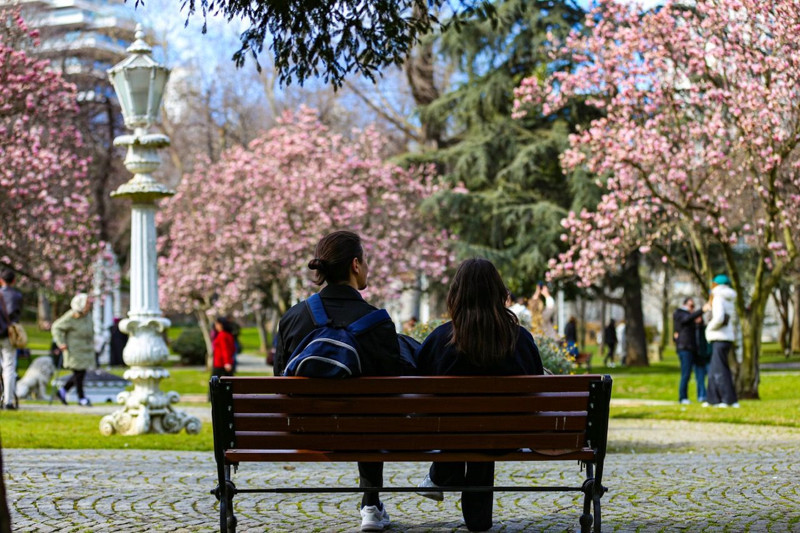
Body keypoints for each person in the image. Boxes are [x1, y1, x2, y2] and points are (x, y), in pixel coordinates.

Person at [274, 230, 408, 532]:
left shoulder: (293, 317)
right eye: (366, 261)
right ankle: (371, 505)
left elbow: (279, 378)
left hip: (306, 431)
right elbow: (391, 394)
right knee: (372, 415)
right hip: (366, 433)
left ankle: (371, 504)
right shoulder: (379, 322)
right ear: (356, 265)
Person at [415, 258, 544, 532]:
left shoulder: (440, 339)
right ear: (498, 292)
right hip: (507, 437)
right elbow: (537, 390)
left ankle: (442, 473)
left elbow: (419, 390)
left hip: (449, 436)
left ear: (456, 294)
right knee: (490, 426)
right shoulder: (520, 339)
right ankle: (477, 517)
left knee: (466, 427)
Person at [52, 293, 95, 407]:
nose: (89, 305)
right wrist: (60, 342)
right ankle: (81, 398)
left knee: (80, 373)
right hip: (74, 349)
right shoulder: (71, 315)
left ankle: (63, 391)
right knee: (79, 373)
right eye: (87, 303)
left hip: (85, 349)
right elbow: (56, 327)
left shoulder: (87, 315)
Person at [705, 274, 739, 408]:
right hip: (727, 337)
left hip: (719, 336)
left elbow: (719, 318)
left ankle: (727, 399)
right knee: (715, 369)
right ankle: (713, 399)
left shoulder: (718, 297)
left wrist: (709, 328)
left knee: (719, 370)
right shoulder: (729, 298)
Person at [673, 298, 707, 404]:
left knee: (700, 373)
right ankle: (683, 397)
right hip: (685, 348)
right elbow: (686, 319)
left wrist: (699, 322)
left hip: (694, 349)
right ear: (684, 305)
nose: (692, 308)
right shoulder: (679, 313)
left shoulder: (690, 317)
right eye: (691, 306)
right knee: (686, 373)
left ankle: (702, 396)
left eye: (694, 306)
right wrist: (702, 310)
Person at [0, 269, 23, 410]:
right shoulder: (17, 296)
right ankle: (8, 401)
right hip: (8, 334)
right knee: (9, 367)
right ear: (14, 281)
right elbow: (17, 314)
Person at [211, 317, 236, 384]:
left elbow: (225, 349)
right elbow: (233, 349)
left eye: (217, 324)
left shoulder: (222, 335)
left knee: (215, 384)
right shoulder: (228, 335)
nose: (215, 326)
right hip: (226, 363)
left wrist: (226, 362)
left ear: (221, 324)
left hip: (220, 364)